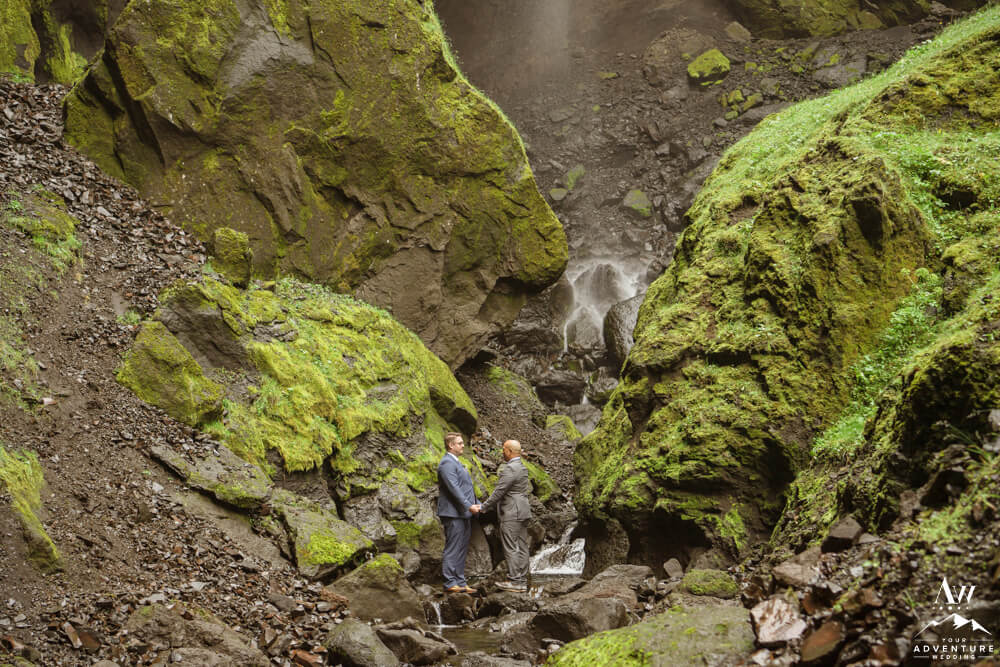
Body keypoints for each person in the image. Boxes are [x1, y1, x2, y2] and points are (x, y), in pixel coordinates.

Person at [476, 439, 532, 592]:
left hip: (512, 512)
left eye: (503, 449)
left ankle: (515, 581)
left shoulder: (510, 468)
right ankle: (522, 580)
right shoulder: (522, 467)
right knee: (522, 546)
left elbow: (499, 492)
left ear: (510, 451)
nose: (502, 452)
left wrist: (483, 507)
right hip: (523, 510)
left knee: (511, 546)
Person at [436, 432, 479, 594]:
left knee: (462, 548)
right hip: (453, 513)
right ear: (451, 445)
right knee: (453, 548)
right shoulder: (447, 463)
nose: (463, 445)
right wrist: (469, 506)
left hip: (463, 513)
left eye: (462, 443)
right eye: (459, 443)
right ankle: (449, 583)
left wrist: (478, 504)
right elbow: (454, 489)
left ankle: (460, 582)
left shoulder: (456, 462)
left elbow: (466, 489)